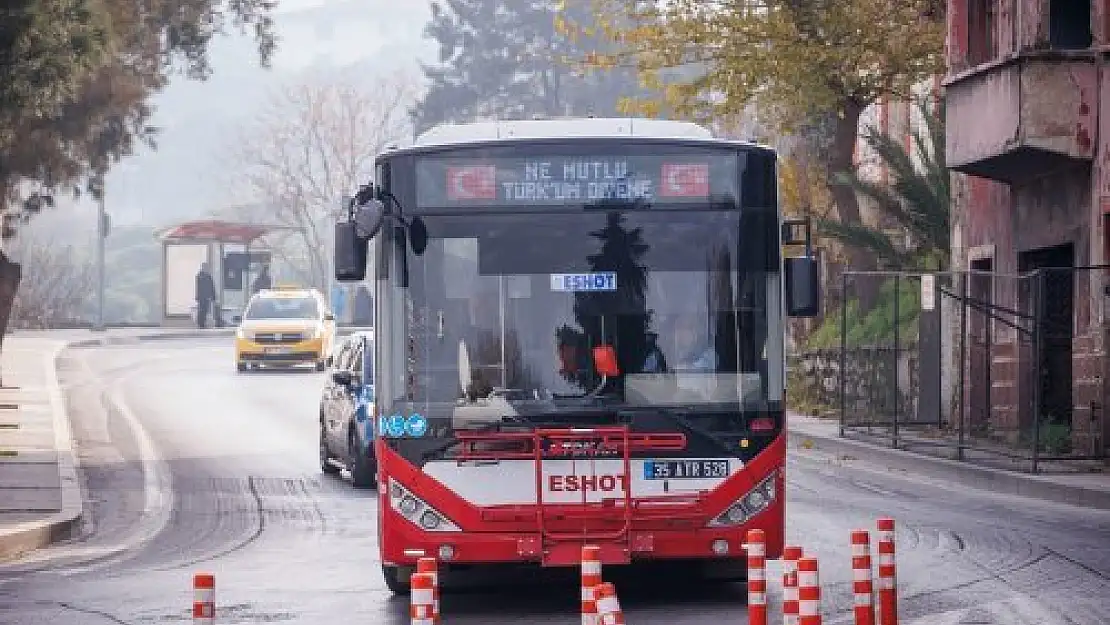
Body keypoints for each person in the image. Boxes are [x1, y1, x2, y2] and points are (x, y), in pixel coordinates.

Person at [195, 262, 217, 328]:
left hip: (206, 297)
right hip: (202, 297)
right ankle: (200, 323)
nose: (206, 269)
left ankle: (203, 322)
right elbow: (199, 288)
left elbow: (211, 287)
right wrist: (198, 297)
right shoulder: (200, 276)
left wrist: (213, 296)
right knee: (201, 310)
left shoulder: (208, 276)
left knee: (205, 310)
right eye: (205, 267)